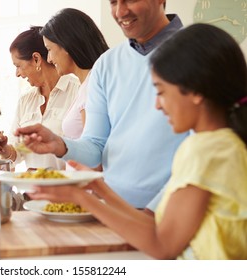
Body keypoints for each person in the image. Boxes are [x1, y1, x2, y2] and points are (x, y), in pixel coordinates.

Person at [29, 23, 247, 259]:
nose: (157, 105)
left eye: (161, 92)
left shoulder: (206, 150)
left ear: (194, 92)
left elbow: (163, 245)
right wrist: (99, 188)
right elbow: (154, 225)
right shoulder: (223, 144)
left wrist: (80, 197)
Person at [16, 0, 188, 211]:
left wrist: (154, 210)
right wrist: (60, 145)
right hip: (114, 210)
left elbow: (209, 148)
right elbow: (96, 147)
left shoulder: (200, 52)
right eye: (113, 2)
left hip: (173, 211)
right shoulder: (107, 64)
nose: (120, 11)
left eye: (131, 0)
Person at [0, 26, 80, 171]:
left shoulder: (77, 91)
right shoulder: (26, 100)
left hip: (67, 189)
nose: (17, 74)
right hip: (33, 190)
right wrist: (4, 148)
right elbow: (18, 153)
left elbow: (87, 151)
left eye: (18, 66)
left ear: (36, 59)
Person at [40, 8, 109, 140]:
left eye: (49, 49)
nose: (49, 59)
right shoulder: (86, 84)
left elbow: (94, 152)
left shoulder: (91, 87)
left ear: (66, 46)